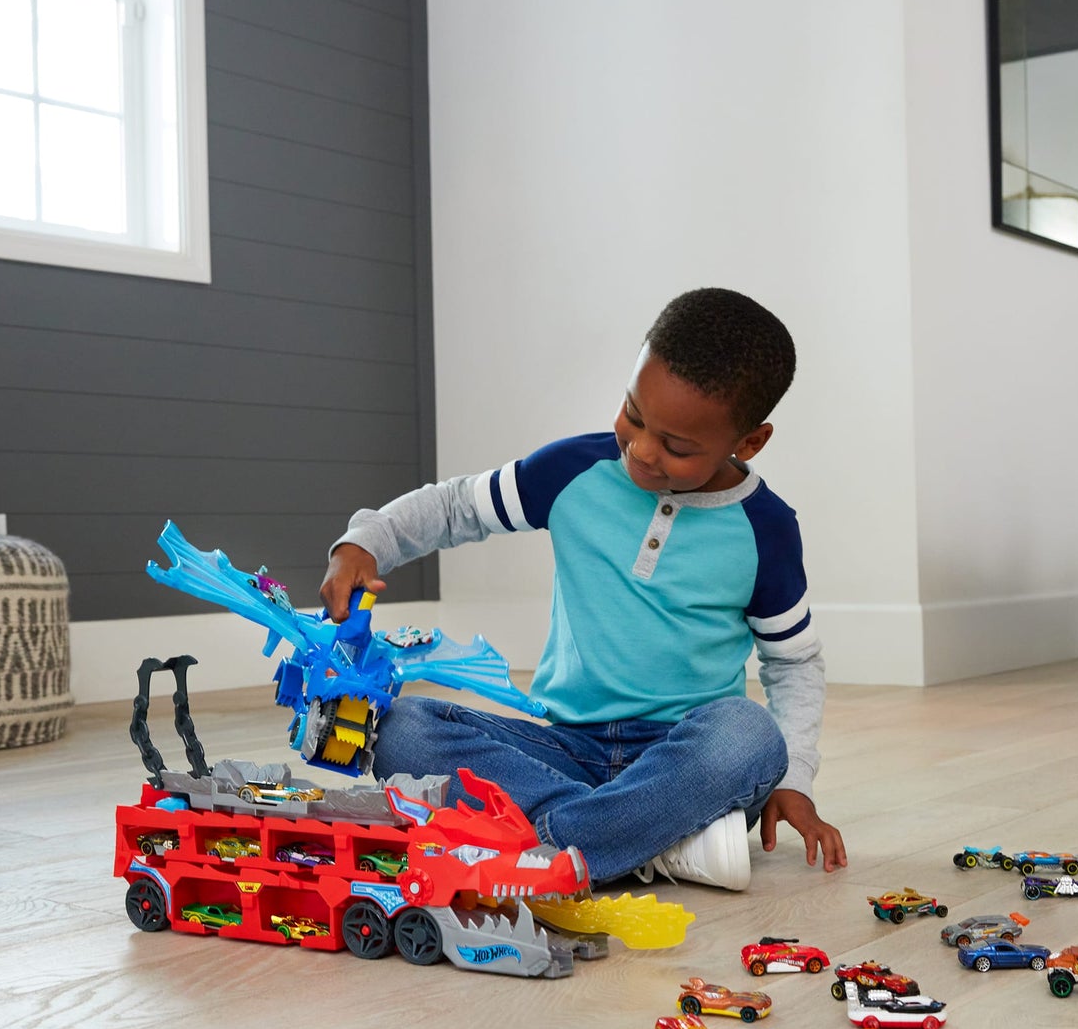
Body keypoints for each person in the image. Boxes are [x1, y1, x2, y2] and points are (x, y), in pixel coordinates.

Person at [320, 287, 843, 889]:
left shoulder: (764, 529)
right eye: (633, 415)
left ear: (747, 443)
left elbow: (794, 663)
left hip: (685, 769)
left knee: (749, 735)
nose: (641, 450)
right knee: (397, 726)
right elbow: (456, 506)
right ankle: (636, 844)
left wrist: (795, 779)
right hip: (564, 752)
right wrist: (368, 540)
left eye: (676, 447)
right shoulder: (576, 472)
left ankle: (557, 843)